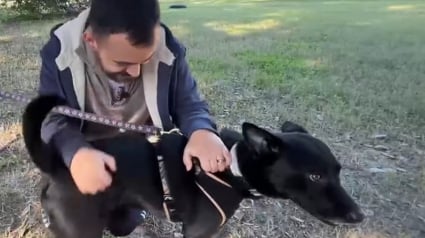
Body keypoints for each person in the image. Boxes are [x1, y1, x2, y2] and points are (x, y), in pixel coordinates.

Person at [37, 0, 231, 236]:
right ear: (91, 40)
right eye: (123, 62)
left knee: (124, 225)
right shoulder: (60, 53)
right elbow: (52, 118)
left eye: (145, 60)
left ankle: (126, 210)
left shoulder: (168, 48)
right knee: (75, 219)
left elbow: (188, 104)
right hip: (89, 155)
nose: (136, 72)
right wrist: (75, 153)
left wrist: (202, 131)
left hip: (140, 157)